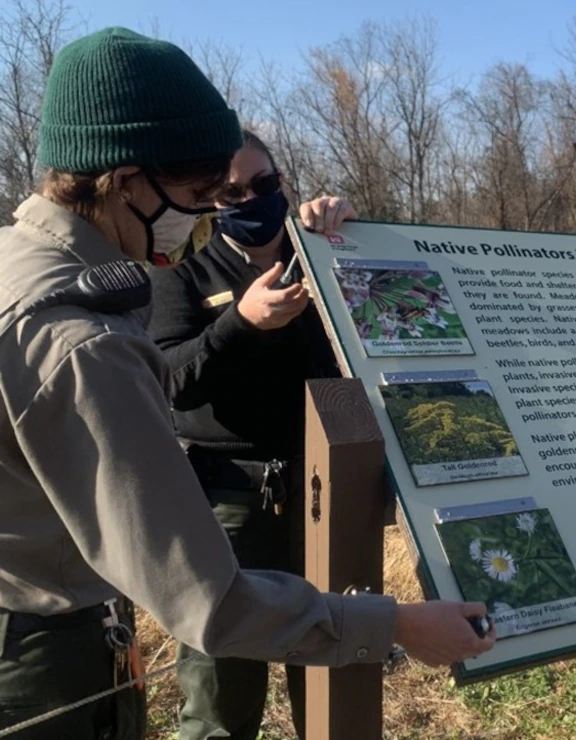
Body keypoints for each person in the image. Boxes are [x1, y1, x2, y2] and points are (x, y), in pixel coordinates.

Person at [0, 27, 493, 740]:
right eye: (200, 193)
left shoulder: (23, 267)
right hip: (46, 663)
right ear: (126, 178)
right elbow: (210, 603)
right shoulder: (86, 339)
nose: (203, 215)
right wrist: (401, 624)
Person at [147, 130, 355, 740]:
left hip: (324, 496)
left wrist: (347, 232)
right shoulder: (181, 272)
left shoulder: (319, 252)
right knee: (222, 685)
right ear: (208, 200)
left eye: (265, 185)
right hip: (228, 506)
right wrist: (240, 323)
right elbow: (170, 381)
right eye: (231, 192)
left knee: (328, 668)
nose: (252, 199)